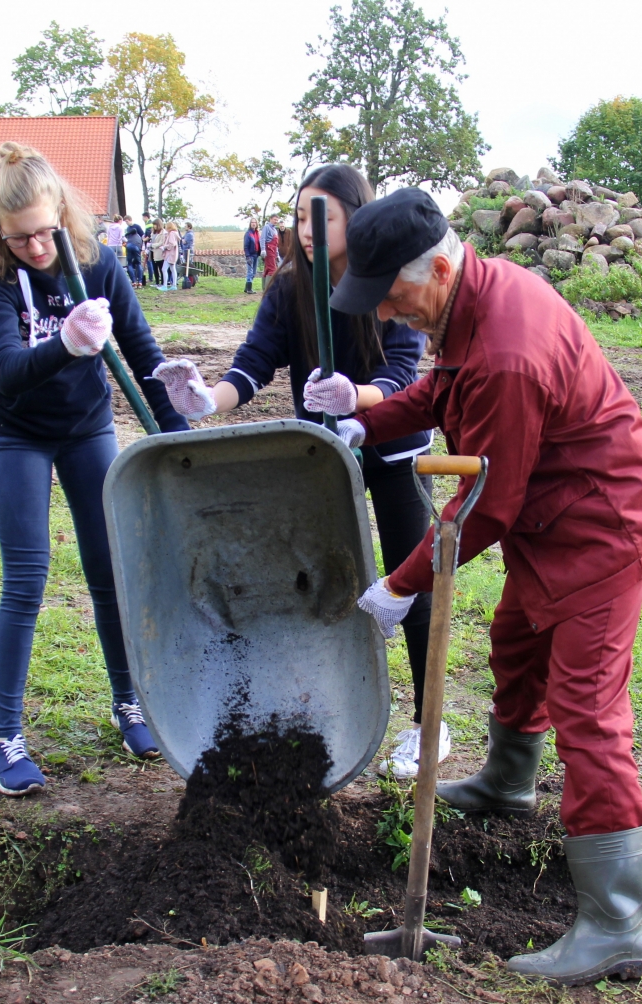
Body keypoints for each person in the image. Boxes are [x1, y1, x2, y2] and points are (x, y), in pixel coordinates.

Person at [332, 188, 642, 986]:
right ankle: (509, 780)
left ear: (441, 268)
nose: (384, 316)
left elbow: (484, 508)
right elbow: (448, 392)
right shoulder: (474, 302)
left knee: (588, 709)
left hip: (602, 528)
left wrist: (401, 585)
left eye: (391, 298)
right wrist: (366, 418)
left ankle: (619, 923)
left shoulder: (508, 352)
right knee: (516, 638)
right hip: (558, 519)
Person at [152, 165, 439, 773]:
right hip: (323, 458)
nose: (310, 230)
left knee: (412, 576)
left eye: (325, 216)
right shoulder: (287, 289)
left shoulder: (386, 284)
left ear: (354, 218)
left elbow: (402, 377)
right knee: (314, 577)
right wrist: (207, 400)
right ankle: (313, 699)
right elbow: (252, 367)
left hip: (393, 449)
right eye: (302, 214)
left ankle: (427, 723)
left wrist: (355, 395)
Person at [0, 142, 190, 796]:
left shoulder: (99, 266)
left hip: (87, 427)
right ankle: (5, 736)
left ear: (65, 212)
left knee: (108, 570)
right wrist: (66, 344)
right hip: (18, 434)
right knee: (27, 577)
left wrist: (177, 442)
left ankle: (128, 702)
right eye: (19, 238)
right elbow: (7, 369)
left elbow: (145, 357)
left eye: (46, 231)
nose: (37, 247)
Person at [123, 217, 146, 287]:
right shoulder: (128, 229)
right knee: (138, 263)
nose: (126, 223)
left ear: (130, 220)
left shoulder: (136, 227)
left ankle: (133, 281)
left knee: (129, 264)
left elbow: (142, 235)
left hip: (130, 245)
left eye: (127, 221)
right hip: (136, 246)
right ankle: (140, 281)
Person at [242, 220, 263, 294]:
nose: (253, 224)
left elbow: (259, 243)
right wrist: (247, 256)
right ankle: (249, 289)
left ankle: (246, 288)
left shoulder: (257, 234)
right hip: (250, 255)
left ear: (257, 224)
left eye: (255, 222)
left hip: (256, 255)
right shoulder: (248, 234)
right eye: (252, 222)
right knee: (250, 272)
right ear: (250, 224)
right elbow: (246, 246)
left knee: (254, 273)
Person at [160, 221, 181, 289]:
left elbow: (172, 244)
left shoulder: (171, 233)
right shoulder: (175, 233)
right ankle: (174, 285)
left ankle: (165, 285)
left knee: (164, 269)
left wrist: (164, 247)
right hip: (174, 254)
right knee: (173, 269)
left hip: (170, 254)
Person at [262, 215, 281, 282]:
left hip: (273, 251)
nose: (276, 221)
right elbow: (263, 239)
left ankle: (265, 289)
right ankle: (269, 289)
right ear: (270, 219)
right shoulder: (266, 227)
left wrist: (277, 254)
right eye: (274, 219)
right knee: (272, 269)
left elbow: (276, 244)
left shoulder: (275, 230)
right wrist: (263, 249)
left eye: (277, 220)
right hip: (268, 250)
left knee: (267, 269)